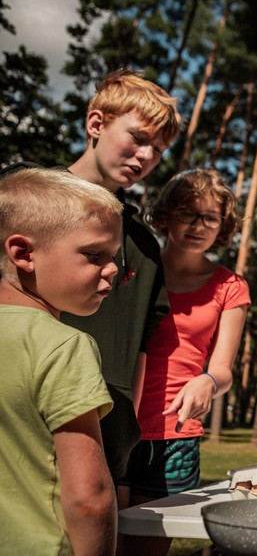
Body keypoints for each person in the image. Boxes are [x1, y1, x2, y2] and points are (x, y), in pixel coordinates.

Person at [56, 69, 180, 505]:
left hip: (106, 437)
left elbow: (142, 341)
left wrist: (126, 434)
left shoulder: (143, 244)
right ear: (96, 123)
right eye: (138, 138)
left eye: (158, 150)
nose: (146, 156)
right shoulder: (24, 199)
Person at [122, 169, 249, 555]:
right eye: (187, 213)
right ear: (165, 216)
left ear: (223, 225)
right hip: (114, 424)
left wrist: (208, 381)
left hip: (174, 437)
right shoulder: (135, 268)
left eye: (210, 217)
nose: (198, 226)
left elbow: (223, 370)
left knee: (144, 550)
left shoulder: (230, 287)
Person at [0, 168, 121, 555]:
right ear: (24, 254)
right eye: (94, 255)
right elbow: (89, 498)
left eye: (114, 256)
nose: (114, 268)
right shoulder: (64, 346)